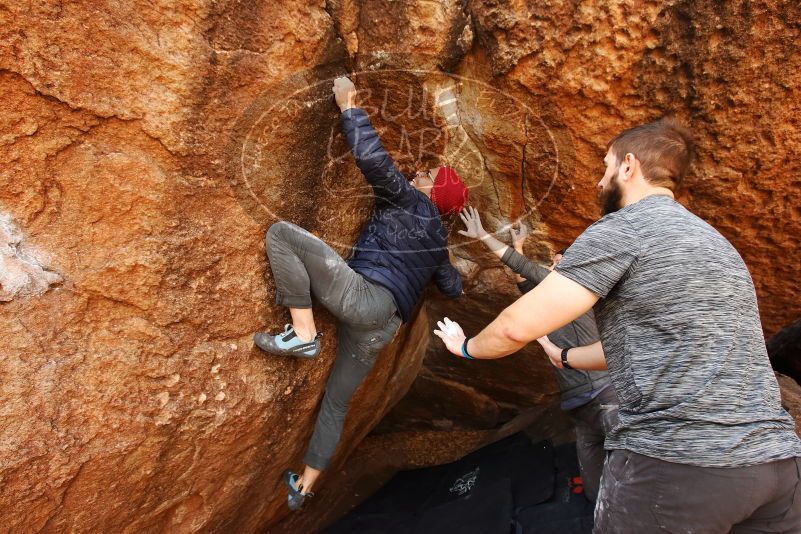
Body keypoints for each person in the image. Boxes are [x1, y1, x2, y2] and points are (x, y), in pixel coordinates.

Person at [433, 118, 801, 532]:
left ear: (628, 167)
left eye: (605, 167)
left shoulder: (623, 229)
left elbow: (514, 328)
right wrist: (566, 357)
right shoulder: (717, 244)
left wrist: (465, 348)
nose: (599, 181)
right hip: (777, 464)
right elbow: (643, 346)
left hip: (680, 463)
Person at [254, 76, 468, 511]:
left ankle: (303, 333)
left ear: (432, 192)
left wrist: (348, 104)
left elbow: (374, 161)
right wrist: (455, 268)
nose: (419, 173)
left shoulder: (411, 202)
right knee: (335, 404)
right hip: (381, 329)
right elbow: (453, 288)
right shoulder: (437, 245)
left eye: (428, 175)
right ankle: (305, 487)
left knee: (281, 234)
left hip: (367, 297)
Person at [458, 206, 618, 501]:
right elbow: (527, 291)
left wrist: (483, 235)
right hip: (579, 402)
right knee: (593, 474)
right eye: (553, 263)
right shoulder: (557, 301)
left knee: (633, 462)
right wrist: (518, 246)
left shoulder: (578, 286)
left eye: (559, 263)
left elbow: (525, 269)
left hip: (602, 395)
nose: (553, 267)